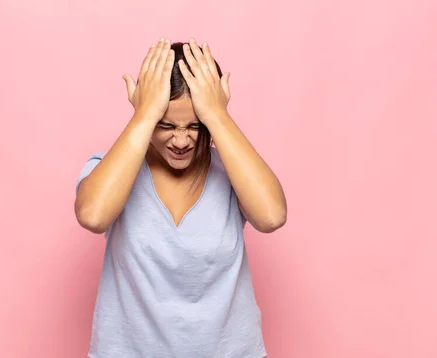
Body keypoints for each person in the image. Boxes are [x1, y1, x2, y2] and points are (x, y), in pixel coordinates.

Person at [75, 37, 287, 358]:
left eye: (194, 126)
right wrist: (143, 115)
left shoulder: (231, 171)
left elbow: (272, 216)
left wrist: (218, 116)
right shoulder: (114, 170)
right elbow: (93, 215)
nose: (181, 140)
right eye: (167, 124)